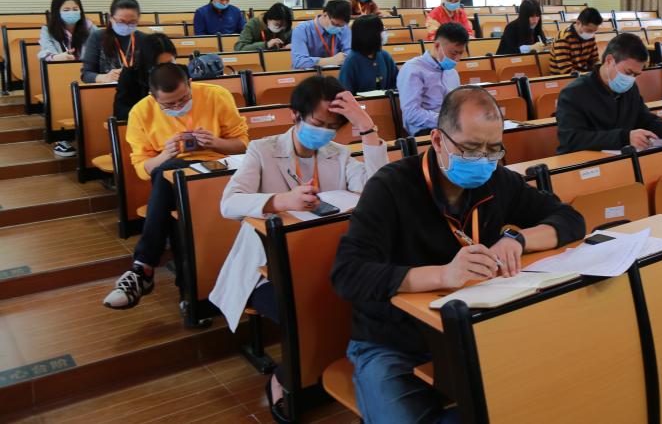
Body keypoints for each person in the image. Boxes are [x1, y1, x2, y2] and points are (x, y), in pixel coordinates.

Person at [331, 86, 585, 424]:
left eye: (493, 149)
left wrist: (518, 239)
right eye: (470, 148)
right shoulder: (390, 187)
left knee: (543, 397)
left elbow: (570, 219)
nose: (483, 160)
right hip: (394, 341)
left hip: (476, 329)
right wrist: (442, 275)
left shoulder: (497, 180)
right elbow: (348, 273)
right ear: (438, 140)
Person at [212, 76, 386, 422]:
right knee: (308, 310)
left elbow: (378, 190)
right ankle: (286, 380)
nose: (325, 133)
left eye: (333, 127)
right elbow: (228, 203)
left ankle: (333, 370)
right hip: (266, 270)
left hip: (321, 263)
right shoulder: (262, 150)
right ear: (295, 115)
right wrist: (280, 201)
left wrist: (367, 128)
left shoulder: (337, 154)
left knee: (356, 300)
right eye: (318, 123)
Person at [103, 63, 249, 310]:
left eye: (183, 99)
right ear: (153, 97)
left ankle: (144, 268)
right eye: (169, 105)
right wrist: (165, 154)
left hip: (218, 170)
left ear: (190, 84)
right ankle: (188, 295)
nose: (179, 107)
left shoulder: (216, 95)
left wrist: (215, 143)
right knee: (168, 175)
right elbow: (143, 169)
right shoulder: (141, 112)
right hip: (170, 178)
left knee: (168, 180)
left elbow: (242, 145)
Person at [556, 32, 662, 154]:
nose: (631, 79)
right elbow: (572, 139)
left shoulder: (629, 88)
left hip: (621, 161)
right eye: (628, 72)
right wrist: (625, 137)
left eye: (636, 75)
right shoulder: (573, 93)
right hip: (586, 166)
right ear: (609, 60)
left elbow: (646, 120)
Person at [40, 0, 96, 157]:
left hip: (87, 72)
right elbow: (44, 52)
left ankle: (93, 136)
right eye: (66, 10)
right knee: (60, 89)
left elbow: (102, 47)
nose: (72, 12)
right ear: (57, 12)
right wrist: (57, 57)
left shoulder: (90, 27)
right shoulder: (48, 30)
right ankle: (61, 138)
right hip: (61, 75)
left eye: (75, 8)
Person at [396, 22, 466, 135]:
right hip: (426, 130)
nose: (457, 59)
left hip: (451, 127)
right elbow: (411, 114)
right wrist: (446, 120)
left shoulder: (452, 72)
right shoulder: (413, 69)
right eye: (453, 53)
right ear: (437, 46)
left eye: (461, 53)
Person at [114, 34, 177, 121]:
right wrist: (152, 111)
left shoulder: (181, 72)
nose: (166, 70)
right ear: (148, 64)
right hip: (146, 123)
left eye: (170, 63)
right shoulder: (130, 75)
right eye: (160, 66)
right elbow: (120, 112)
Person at [81, 0, 143, 84]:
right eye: (121, 22)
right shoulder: (97, 37)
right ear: (111, 18)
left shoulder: (145, 39)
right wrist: (104, 77)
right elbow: (86, 75)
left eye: (132, 22)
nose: (126, 26)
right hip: (107, 90)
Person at [340, 15, 398, 94]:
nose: (384, 34)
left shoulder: (385, 56)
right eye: (382, 30)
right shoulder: (351, 61)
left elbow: (396, 83)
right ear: (370, 35)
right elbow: (345, 93)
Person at [291, 0, 352, 70]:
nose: (338, 28)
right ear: (325, 15)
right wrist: (330, 61)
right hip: (308, 74)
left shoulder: (344, 28)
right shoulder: (302, 30)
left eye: (341, 26)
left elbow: (350, 54)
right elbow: (299, 62)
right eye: (335, 24)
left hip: (336, 73)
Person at [549, 7, 602, 75]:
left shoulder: (591, 36)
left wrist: (600, 69)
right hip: (563, 77)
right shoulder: (563, 38)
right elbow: (566, 71)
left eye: (594, 31)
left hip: (584, 75)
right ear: (578, 23)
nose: (592, 34)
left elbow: (594, 60)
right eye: (589, 30)